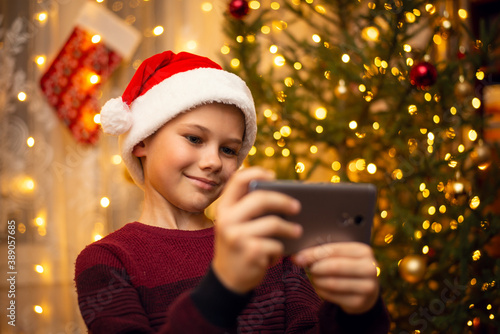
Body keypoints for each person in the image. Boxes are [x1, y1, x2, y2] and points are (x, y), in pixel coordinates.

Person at [74, 50, 390, 333]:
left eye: (228, 150)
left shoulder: (270, 247)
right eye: (195, 139)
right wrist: (224, 287)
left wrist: (358, 313)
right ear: (142, 140)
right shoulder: (107, 261)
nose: (213, 162)